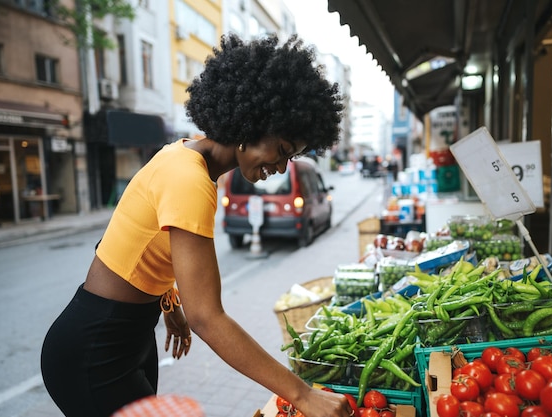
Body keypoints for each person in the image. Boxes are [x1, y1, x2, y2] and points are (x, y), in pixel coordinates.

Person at [41, 33, 352, 417]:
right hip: (94, 350)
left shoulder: (185, 156)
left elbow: (141, 242)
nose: (282, 167)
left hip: (130, 336)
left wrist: (169, 304)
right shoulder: (188, 178)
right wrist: (302, 395)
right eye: (284, 150)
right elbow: (208, 317)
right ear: (250, 123)